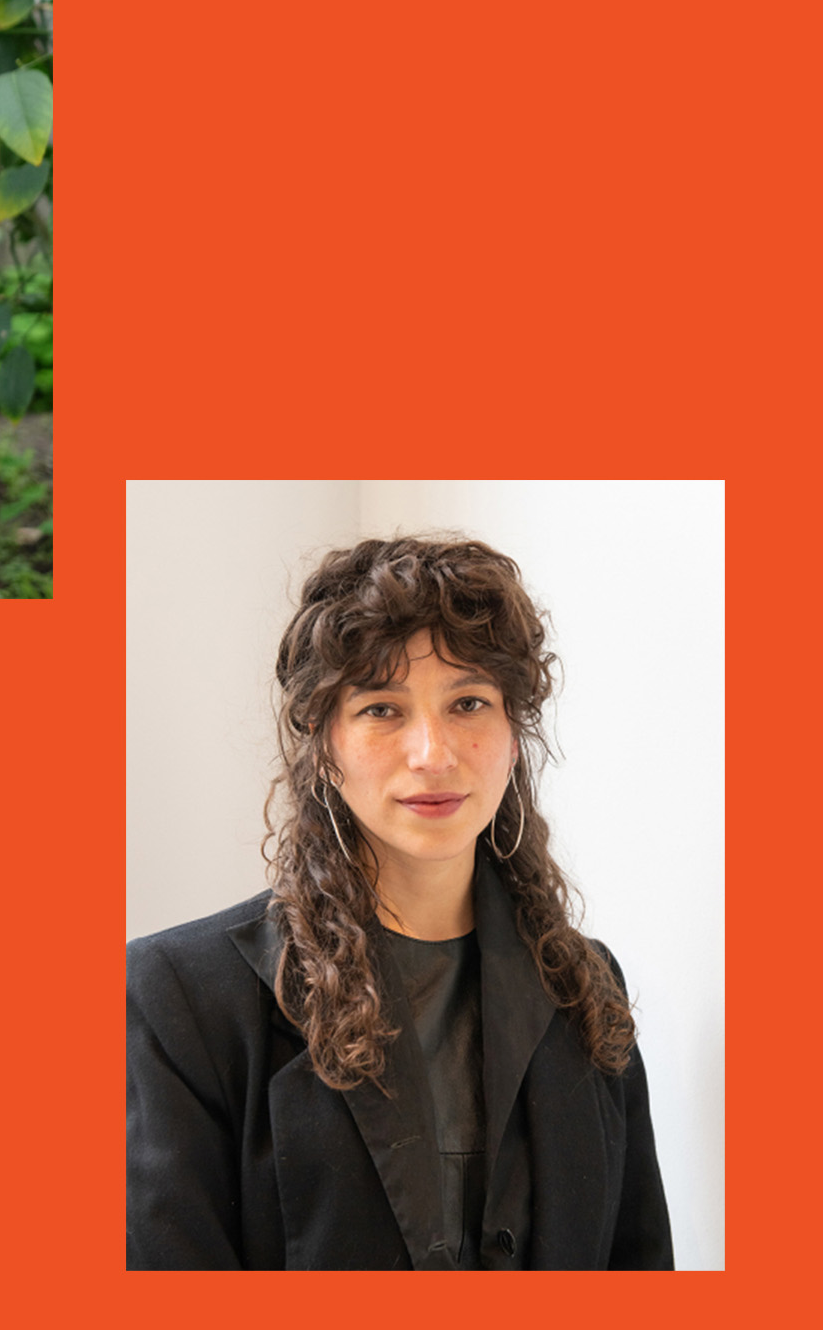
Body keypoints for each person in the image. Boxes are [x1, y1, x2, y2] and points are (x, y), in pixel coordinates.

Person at [125, 536, 672, 1270]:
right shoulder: (179, 997)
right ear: (324, 742)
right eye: (382, 709)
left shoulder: (585, 986)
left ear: (514, 734)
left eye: (469, 702)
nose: (433, 752)